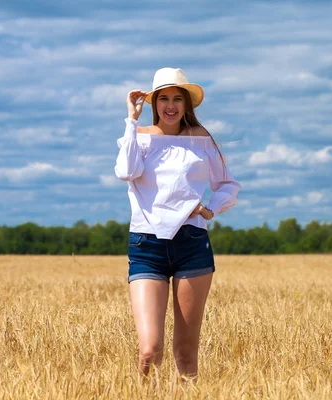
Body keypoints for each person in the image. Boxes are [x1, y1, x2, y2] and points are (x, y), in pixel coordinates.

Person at [114, 67, 240, 379]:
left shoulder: (201, 140)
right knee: (149, 350)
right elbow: (126, 171)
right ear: (154, 103)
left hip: (192, 244)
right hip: (147, 246)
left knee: (185, 353)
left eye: (178, 99)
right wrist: (132, 120)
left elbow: (228, 185)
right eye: (164, 98)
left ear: (187, 105)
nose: (171, 105)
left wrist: (210, 209)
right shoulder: (139, 137)